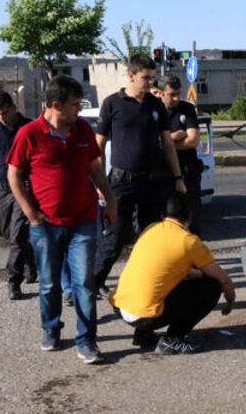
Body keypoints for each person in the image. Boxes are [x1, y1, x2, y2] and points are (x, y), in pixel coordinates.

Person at [7, 75, 118, 365]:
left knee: (83, 282)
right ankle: (51, 328)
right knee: (49, 284)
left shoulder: (82, 129)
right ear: (55, 105)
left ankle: (87, 340)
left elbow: (95, 168)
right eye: (74, 105)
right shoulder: (29, 133)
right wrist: (31, 214)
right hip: (46, 224)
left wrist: (110, 200)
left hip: (83, 219)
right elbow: (13, 176)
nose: (78, 110)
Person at [92, 54, 185, 297]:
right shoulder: (113, 103)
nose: (151, 83)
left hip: (152, 183)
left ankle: (146, 285)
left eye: (153, 78)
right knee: (115, 238)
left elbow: (167, 143)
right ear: (131, 75)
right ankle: (90, 287)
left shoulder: (155, 105)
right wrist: (100, 182)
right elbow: (98, 145)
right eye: (146, 78)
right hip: (121, 183)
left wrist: (178, 178)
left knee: (149, 237)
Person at [109, 191, 235, 354]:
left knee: (163, 280)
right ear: (190, 216)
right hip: (143, 316)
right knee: (212, 286)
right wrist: (230, 301)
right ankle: (173, 339)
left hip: (121, 306)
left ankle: (143, 334)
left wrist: (198, 274)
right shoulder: (188, 242)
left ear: (163, 215)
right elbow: (223, 279)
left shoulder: (151, 228)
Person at [0, 91, 36, 300]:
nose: (2, 117)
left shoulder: (29, 127)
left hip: (23, 186)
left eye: (5, 112)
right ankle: (31, 263)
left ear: (14, 107)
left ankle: (13, 280)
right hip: (1, 187)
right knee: (10, 234)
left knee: (18, 234)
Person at [157, 75, 203, 232]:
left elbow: (193, 140)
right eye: (172, 94)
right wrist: (174, 137)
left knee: (191, 216)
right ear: (160, 93)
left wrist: (166, 143)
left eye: (178, 93)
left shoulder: (187, 109)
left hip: (188, 171)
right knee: (165, 219)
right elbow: (153, 144)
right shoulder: (154, 111)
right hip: (164, 173)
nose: (177, 98)